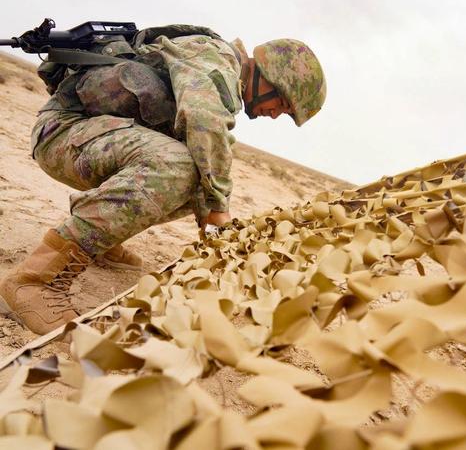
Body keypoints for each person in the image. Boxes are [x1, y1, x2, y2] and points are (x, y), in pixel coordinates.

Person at [0, 25, 326, 334]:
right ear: (270, 78)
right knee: (178, 166)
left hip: (93, 140)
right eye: (282, 104)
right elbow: (205, 122)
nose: (275, 114)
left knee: (198, 176)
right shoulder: (215, 59)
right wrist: (218, 207)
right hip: (63, 133)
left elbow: (206, 157)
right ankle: (37, 280)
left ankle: (100, 240)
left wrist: (214, 236)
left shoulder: (220, 75)